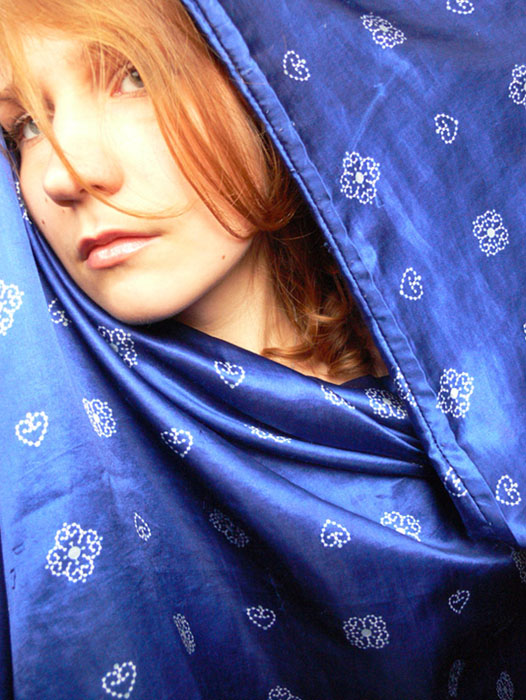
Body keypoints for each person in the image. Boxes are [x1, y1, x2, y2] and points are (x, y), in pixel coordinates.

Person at [0, 1, 524, 699]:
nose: (66, 175)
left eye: (133, 75)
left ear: (263, 68)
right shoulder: (45, 444)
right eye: (27, 126)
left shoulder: (481, 374)